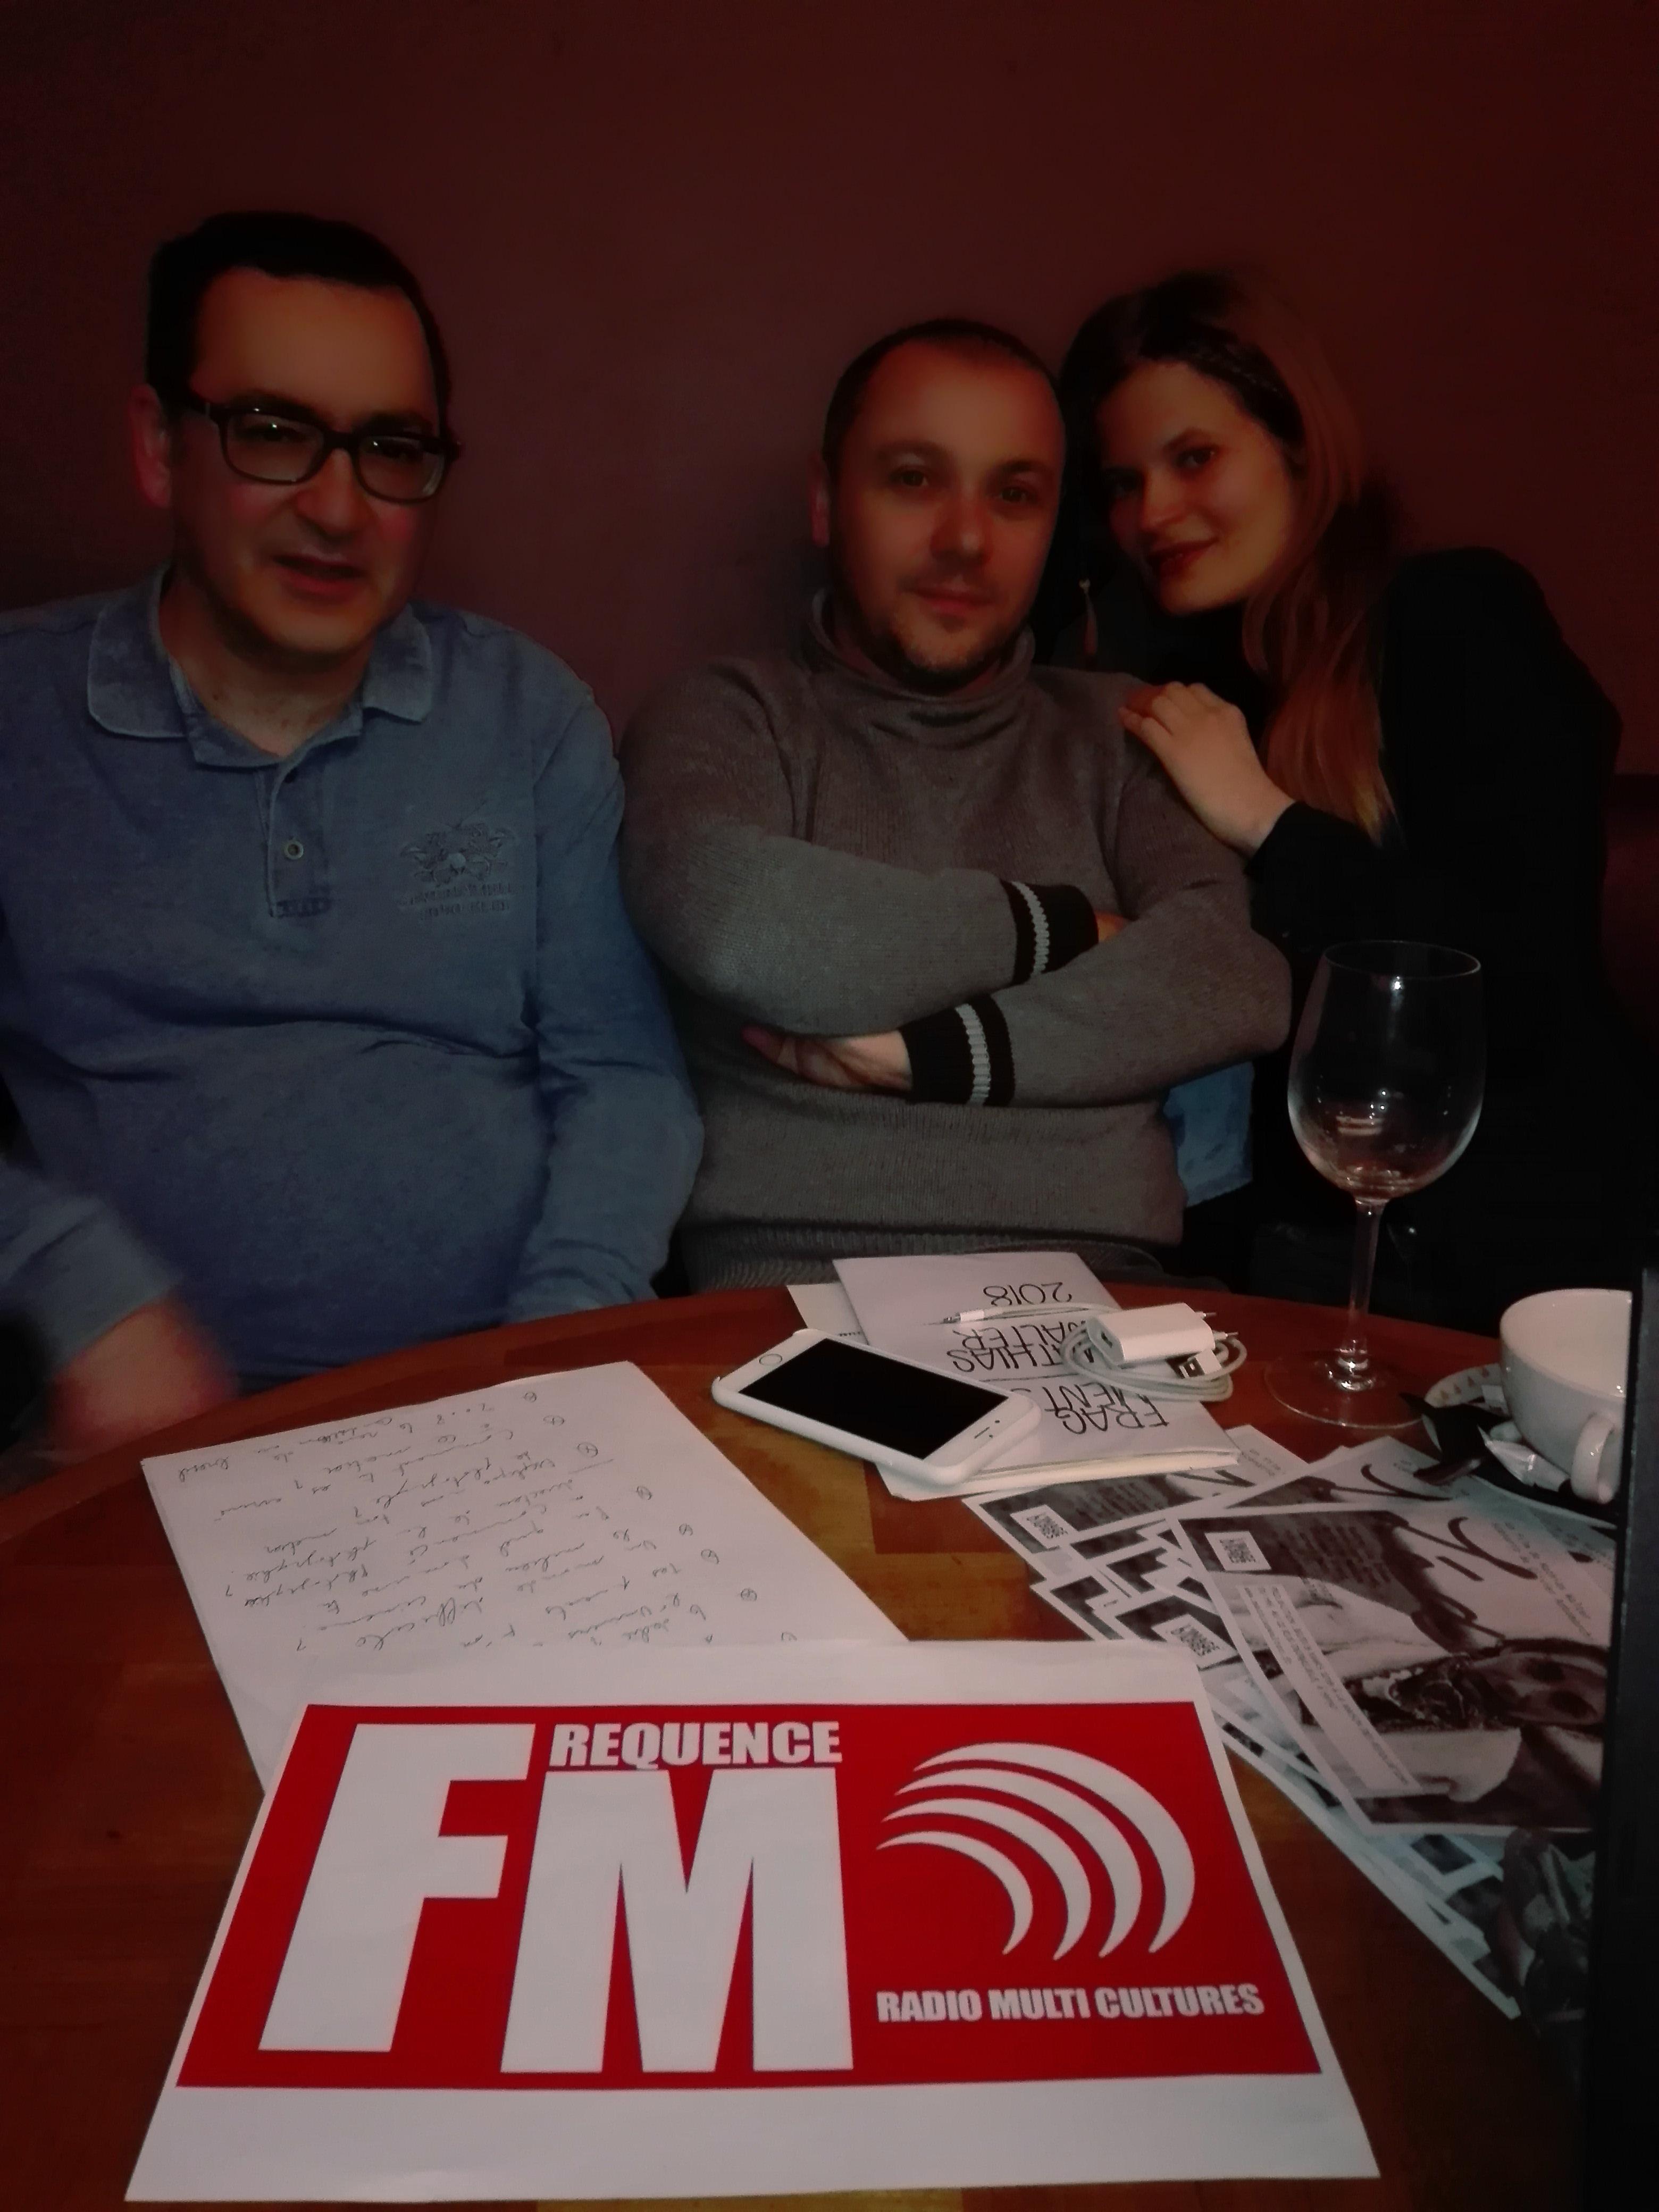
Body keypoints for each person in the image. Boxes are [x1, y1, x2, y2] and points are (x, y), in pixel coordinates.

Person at [0, 211, 700, 1461]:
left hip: (497, 1414)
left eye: (391, 448)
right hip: (125, 1452)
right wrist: (72, 1282)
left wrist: (555, 1353)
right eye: (273, 433)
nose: (339, 507)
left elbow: (627, 1080)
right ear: (160, 448)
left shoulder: (526, 715)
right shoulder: (19, 713)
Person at [617, 319, 1289, 1289]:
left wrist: (932, 1057)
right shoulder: (726, 718)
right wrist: (1068, 929)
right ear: (826, 502)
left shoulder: (1124, 730)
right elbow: (742, 927)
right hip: (790, 1300)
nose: (967, 540)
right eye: (914, 479)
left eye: (1014, 494)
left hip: (1108, 1302)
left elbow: (1234, 979)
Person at [1052, 269, 1649, 1327]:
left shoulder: (1452, 619)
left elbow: (1519, 988)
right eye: (1121, 483)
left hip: (1529, 1272)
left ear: (1297, 445)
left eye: (1194, 458)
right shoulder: (1175, 694)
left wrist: (1267, 822)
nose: (1153, 514)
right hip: (1280, 1268)